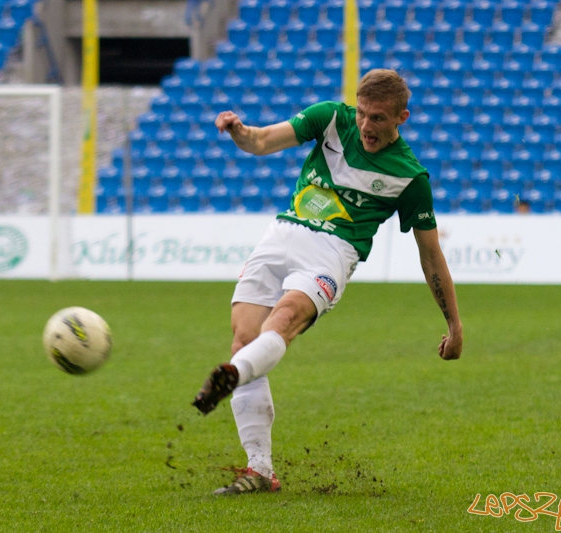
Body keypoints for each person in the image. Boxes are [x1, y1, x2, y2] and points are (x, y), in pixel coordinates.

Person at [192, 69, 463, 495]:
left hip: (332, 251)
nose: (366, 125)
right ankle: (259, 470)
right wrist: (239, 131)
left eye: (378, 118)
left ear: (402, 118)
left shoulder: (410, 177)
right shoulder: (331, 118)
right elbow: (261, 141)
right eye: (363, 113)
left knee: (283, 320)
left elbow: (431, 255)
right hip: (281, 233)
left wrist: (454, 325)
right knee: (244, 339)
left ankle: (230, 376)